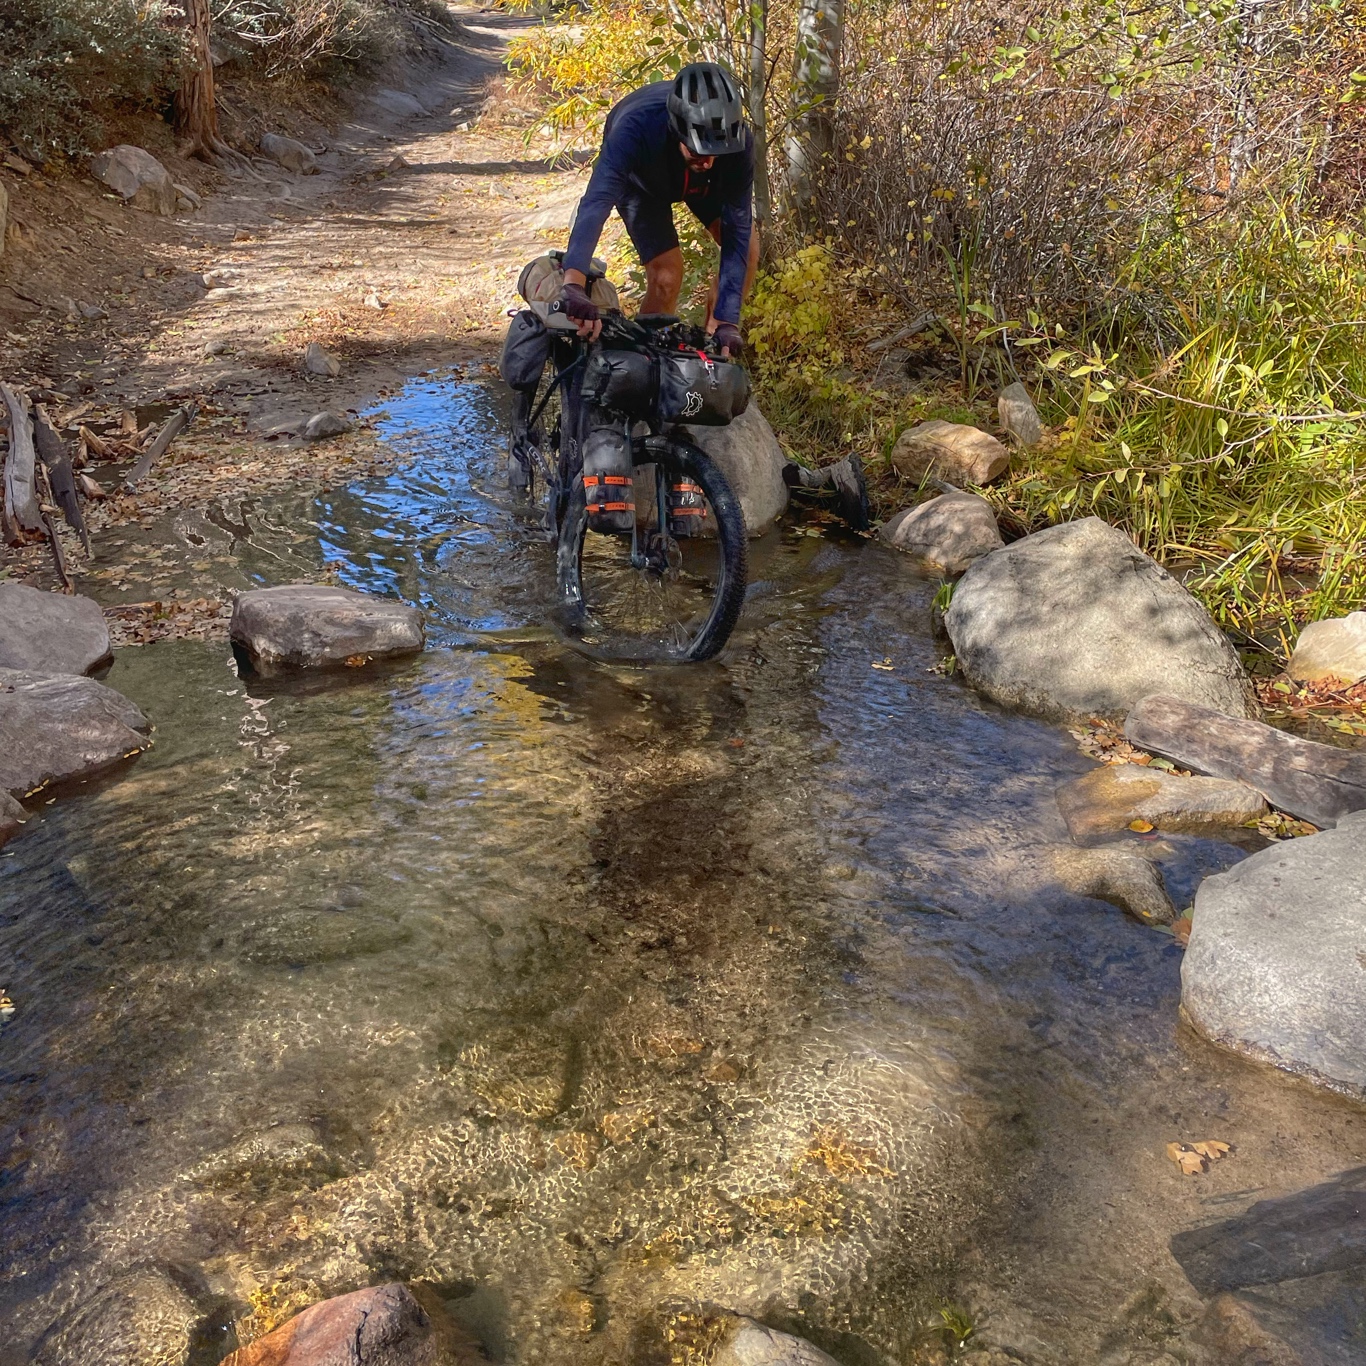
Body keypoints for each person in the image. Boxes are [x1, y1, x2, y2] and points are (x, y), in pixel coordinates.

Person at [558, 62, 759, 357]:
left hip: (699, 184)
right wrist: (573, 283)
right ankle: (645, 361)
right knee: (667, 275)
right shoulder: (634, 130)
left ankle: (713, 349)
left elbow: (738, 228)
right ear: (679, 132)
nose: (707, 160)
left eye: (715, 152)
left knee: (750, 246)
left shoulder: (736, 143)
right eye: (698, 150)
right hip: (643, 181)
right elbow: (596, 203)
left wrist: (729, 319)